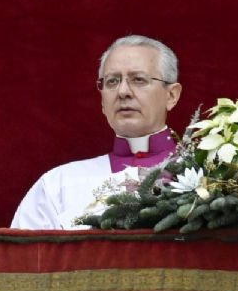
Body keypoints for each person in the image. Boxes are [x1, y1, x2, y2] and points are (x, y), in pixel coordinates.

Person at [11, 35, 183, 229]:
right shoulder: (58, 185)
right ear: (102, 100)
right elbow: (24, 258)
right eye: (112, 81)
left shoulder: (210, 178)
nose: (123, 91)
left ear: (171, 95)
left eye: (138, 80)